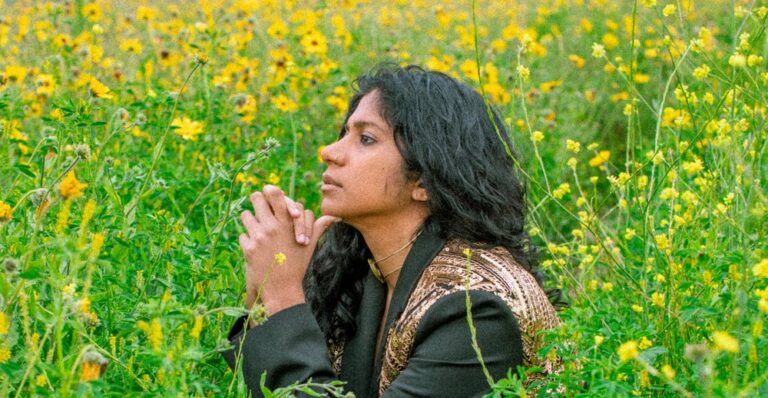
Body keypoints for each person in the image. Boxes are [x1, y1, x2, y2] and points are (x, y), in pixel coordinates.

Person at [222, 64, 562, 397]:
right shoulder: (366, 271)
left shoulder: (477, 310)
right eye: (344, 134)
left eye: (366, 139)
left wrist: (282, 296)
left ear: (424, 180)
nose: (329, 152)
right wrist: (263, 290)